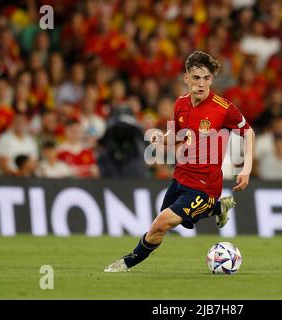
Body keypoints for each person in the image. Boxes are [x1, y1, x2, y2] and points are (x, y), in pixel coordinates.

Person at [104, 51, 255, 272]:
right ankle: (217, 207)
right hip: (181, 177)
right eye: (196, 78)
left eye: (206, 78)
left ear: (211, 79)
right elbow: (178, 136)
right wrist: (161, 140)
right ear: (186, 79)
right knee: (158, 229)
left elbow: (248, 133)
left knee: (161, 223)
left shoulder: (224, 109)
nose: (201, 84)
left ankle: (126, 263)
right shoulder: (180, 104)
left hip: (205, 185)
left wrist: (247, 168)